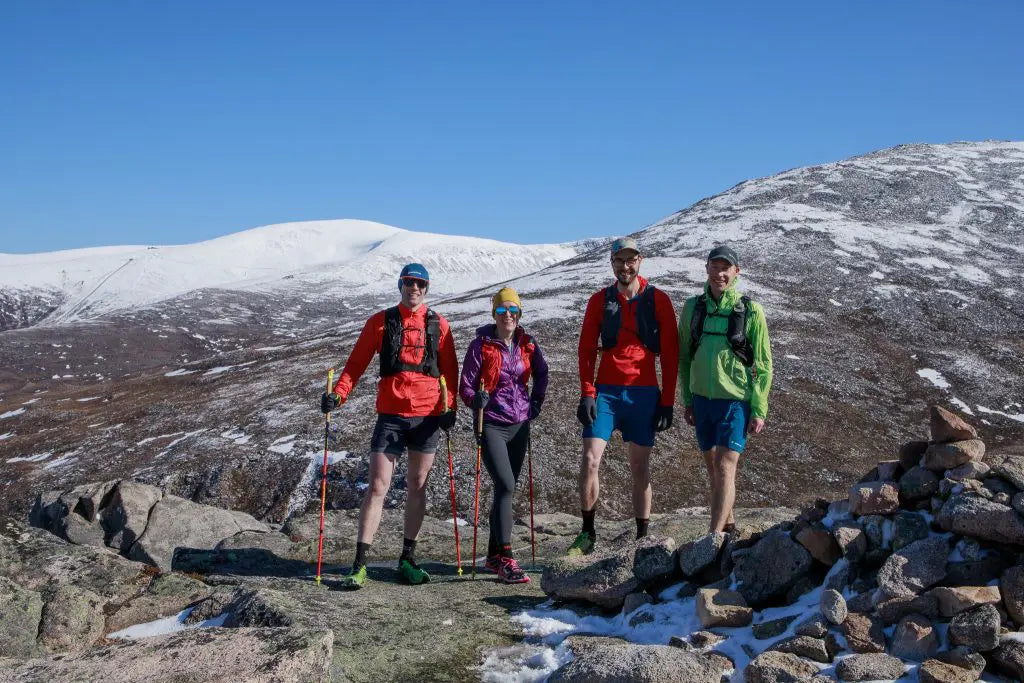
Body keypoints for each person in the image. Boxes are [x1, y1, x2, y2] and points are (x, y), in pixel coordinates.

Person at [320, 263, 458, 588]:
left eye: (421, 284)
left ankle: (407, 559)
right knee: (379, 485)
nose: (415, 288)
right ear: (400, 285)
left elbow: (449, 372)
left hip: (427, 416)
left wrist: (449, 406)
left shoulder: (440, 325)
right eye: (410, 282)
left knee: (418, 484)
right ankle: (359, 564)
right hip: (391, 415)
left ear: (427, 288)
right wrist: (338, 396)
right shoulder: (379, 323)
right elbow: (356, 365)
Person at [571, 237, 679, 555]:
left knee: (640, 467)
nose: (625, 266)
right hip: (606, 394)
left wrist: (668, 401)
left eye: (630, 260)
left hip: (644, 393)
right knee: (590, 459)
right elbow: (587, 349)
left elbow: (671, 354)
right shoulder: (599, 301)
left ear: (640, 261)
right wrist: (587, 393)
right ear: (612, 263)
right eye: (619, 260)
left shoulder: (658, 300)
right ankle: (587, 532)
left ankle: (641, 535)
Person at [678, 245, 773, 534]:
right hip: (703, 401)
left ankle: (712, 539)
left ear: (736, 272)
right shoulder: (693, 308)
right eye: (715, 267)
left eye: (726, 268)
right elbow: (684, 356)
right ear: (706, 269)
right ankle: (729, 527)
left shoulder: (751, 310)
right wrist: (688, 399)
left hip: (735, 402)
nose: (720, 273)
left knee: (724, 466)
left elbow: (764, 364)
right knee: (714, 470)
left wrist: (758, 409)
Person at [459, 287, 549, 583]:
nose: (507, 315)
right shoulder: (480, 346)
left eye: (512, 310)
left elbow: (542, 372)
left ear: (519, 314)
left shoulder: (527, 344)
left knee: (504, 490)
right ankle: (508, 559)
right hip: (491, 423)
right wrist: (476, 401)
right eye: (501, 310)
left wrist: (536, 401)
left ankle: (493, 555)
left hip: (519, 423)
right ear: (493, 314)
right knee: (507, 485)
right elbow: (466, 386)